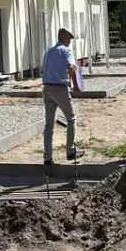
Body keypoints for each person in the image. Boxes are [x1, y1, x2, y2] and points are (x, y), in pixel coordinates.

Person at [41, 27, 84, 166]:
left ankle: (48, 157)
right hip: (60, 88)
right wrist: (76, 86)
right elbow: (71, 68)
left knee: (49, 125)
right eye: (70, 39)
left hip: (46, 88)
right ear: (65, 38)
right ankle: (70, 151)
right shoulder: (66, 51)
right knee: (71, 119)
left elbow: (43, 70)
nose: (70, 42)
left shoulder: (48, 52)